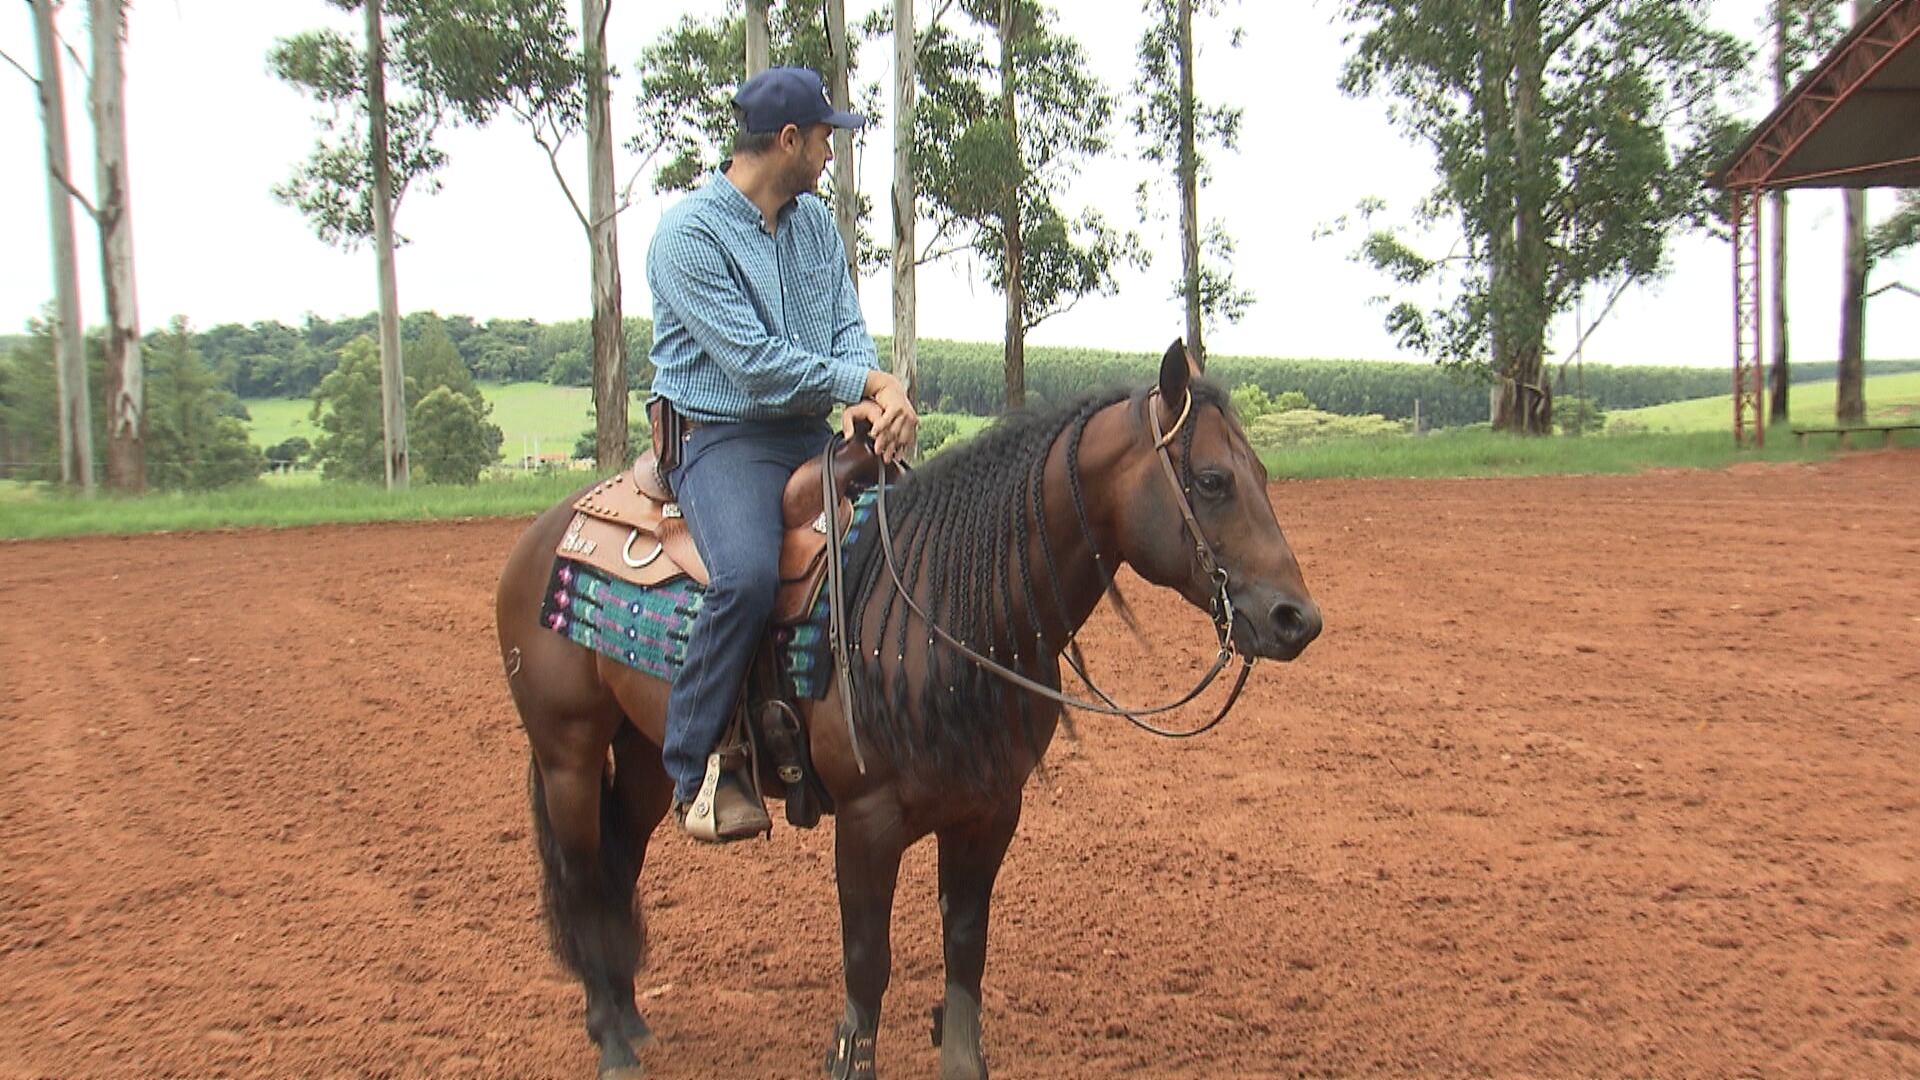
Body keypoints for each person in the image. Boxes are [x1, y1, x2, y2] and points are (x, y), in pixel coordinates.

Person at [646, 66, 918, 843]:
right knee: (746, 576)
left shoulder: (812, 227)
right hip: (722, 437)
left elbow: (843, 330)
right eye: (827, 136)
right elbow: (754, 362)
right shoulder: (687, 236)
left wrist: (874, 401)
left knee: (913, 536)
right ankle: (694, 763)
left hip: (808, 432)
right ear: (789, 139)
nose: (834, 151)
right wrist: (865, 380)